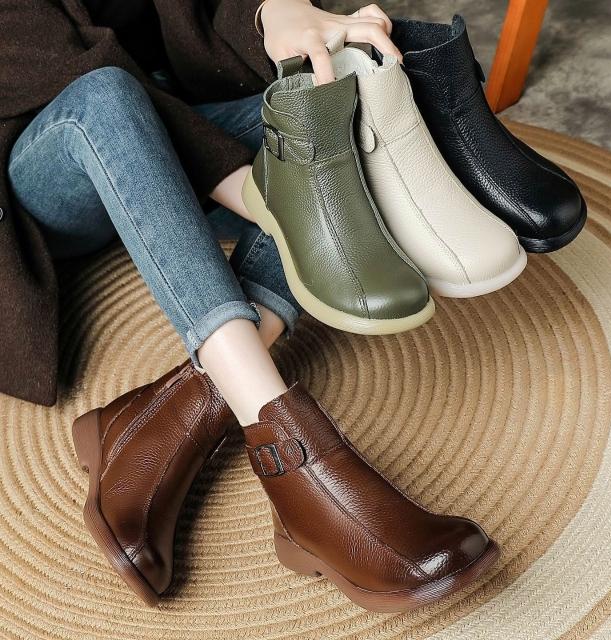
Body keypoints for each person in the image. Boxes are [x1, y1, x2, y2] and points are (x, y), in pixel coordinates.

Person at [0, 0, 498, 611]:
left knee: (338, 108)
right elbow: (47, 63)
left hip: (167, 108)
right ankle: (294, 463)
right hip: (45, 155)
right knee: (104, 97)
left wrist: (271, 11)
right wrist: (270, 198)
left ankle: (161, 422)